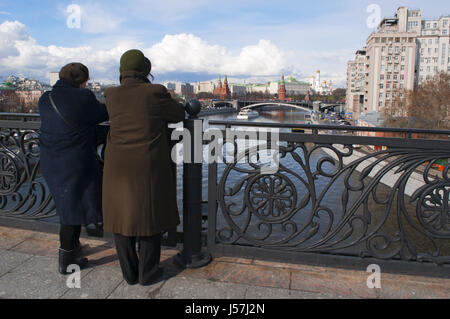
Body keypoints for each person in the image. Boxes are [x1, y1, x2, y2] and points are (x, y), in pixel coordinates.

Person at [102, 49, 185, 286]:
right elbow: (177, 114)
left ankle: (129, 273)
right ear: (145, 71)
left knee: (122, 217)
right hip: (146, 165)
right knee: (149, 216)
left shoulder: (111, 94)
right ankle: (148, 273)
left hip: (116, 165)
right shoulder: (154, 92)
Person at [38, 63, 108, 275]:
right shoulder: (83, 97)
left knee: (67, 204)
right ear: (83, 80)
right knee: (72, 210)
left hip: (51, 160)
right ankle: (67, 260)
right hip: (74, 161)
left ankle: (73, 246)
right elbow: (101, 114)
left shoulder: (45, 98)